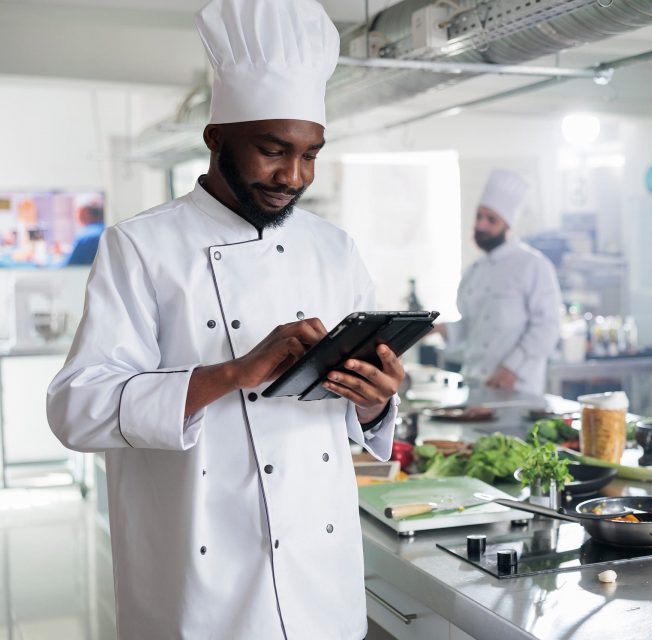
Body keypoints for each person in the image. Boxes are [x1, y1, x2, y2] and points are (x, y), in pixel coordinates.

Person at [46, 1, 401, 637]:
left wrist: (373, 403)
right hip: (202, 589)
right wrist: (233, 372)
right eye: (273, 150)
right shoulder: (143, 247)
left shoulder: (334, 249)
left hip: (322, 584)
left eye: (311, 154)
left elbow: (350, 420)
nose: (293, 176)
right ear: (214, 138)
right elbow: (77, 407)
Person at [438, 170, 562, 395]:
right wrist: (432, 328)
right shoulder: (473, 271)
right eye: (479, 216)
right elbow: (472, 327)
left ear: (508, 225)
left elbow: (547, 327)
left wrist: (511, 369)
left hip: (517, 388)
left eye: (491, 219)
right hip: (474, 385)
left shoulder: (533, 265)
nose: (481, 225)